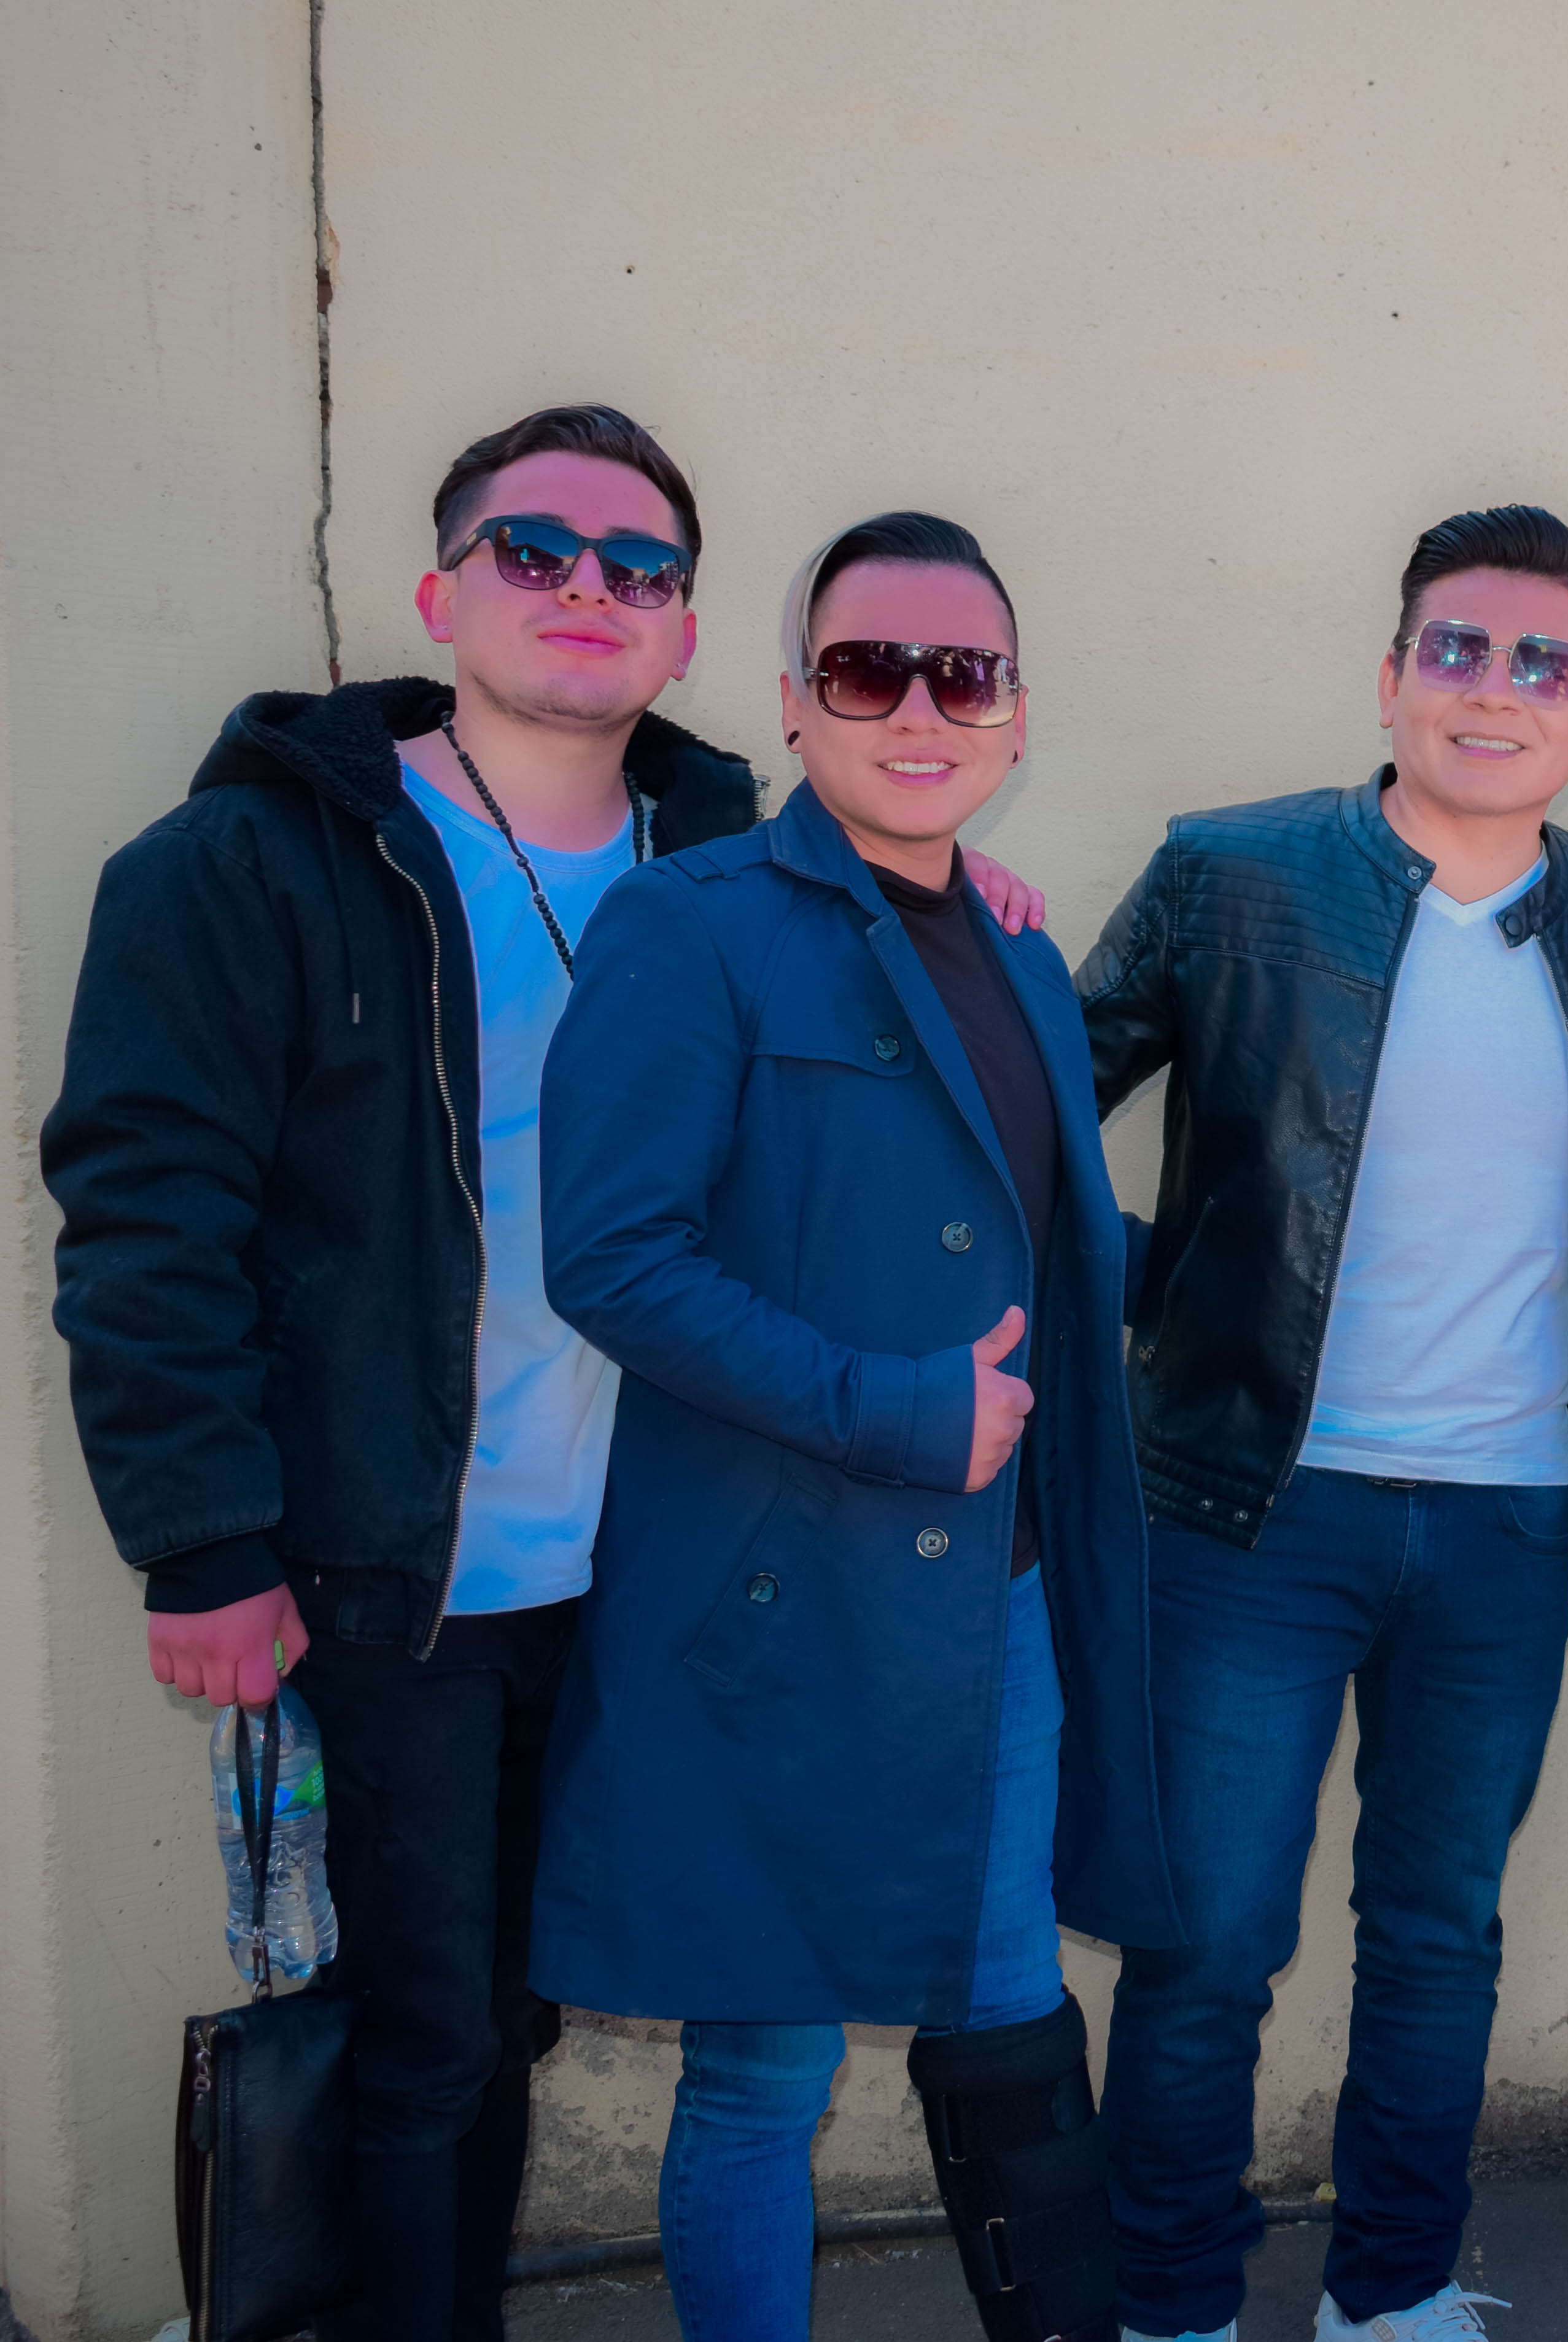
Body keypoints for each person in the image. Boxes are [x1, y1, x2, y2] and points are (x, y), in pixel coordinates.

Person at [40, 405, 767, 2340]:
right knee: (422, 2038)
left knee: (507, 2020)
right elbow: (146, 1213)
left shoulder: (736, 868)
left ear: (685, 630)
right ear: (442, 598)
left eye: (639, 565)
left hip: (642, 1574)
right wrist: (201, 1537)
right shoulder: (247, 863)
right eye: (536, 549)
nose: (589, 587)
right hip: (388, 1573)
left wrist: (955, 905)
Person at [530, 512, 1169, 2342]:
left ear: (1015, 711)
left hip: (997, 1599)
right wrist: (893, 1409)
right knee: (766, 2067)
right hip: (782, 1596)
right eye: (867, 671)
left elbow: (1034, 1237)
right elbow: (612, 1259)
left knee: (1009, 2011)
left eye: (960, 676)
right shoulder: (690, 922)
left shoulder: (1022, 954)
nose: (918, 710)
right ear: (795, 706)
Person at [1081, 506, 1568, 2342]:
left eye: (1544, 663)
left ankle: (1393, 2294)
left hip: (1501, 1524)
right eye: (1456, 648)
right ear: (1391, 675)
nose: (1495, 690)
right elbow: (1020, 1119)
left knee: (1439, 1936)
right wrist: (1159, 1288)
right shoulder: (1232, 874)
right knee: (1206, 1947)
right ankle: (1171, 2306)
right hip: (1248, 1512)